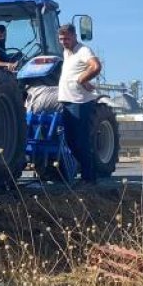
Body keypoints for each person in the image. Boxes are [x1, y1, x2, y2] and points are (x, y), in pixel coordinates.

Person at [56, 23, 101, 183]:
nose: (63, 41)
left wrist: (83, 79)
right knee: (70, 140)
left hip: (79, 103)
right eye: (61, 39)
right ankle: (84, 173)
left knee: (81, 141)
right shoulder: (66, 52)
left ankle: (89, 178)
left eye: (67, 38)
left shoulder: (83, 50)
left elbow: (96, 66)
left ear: (74, 36)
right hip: (68, 101)